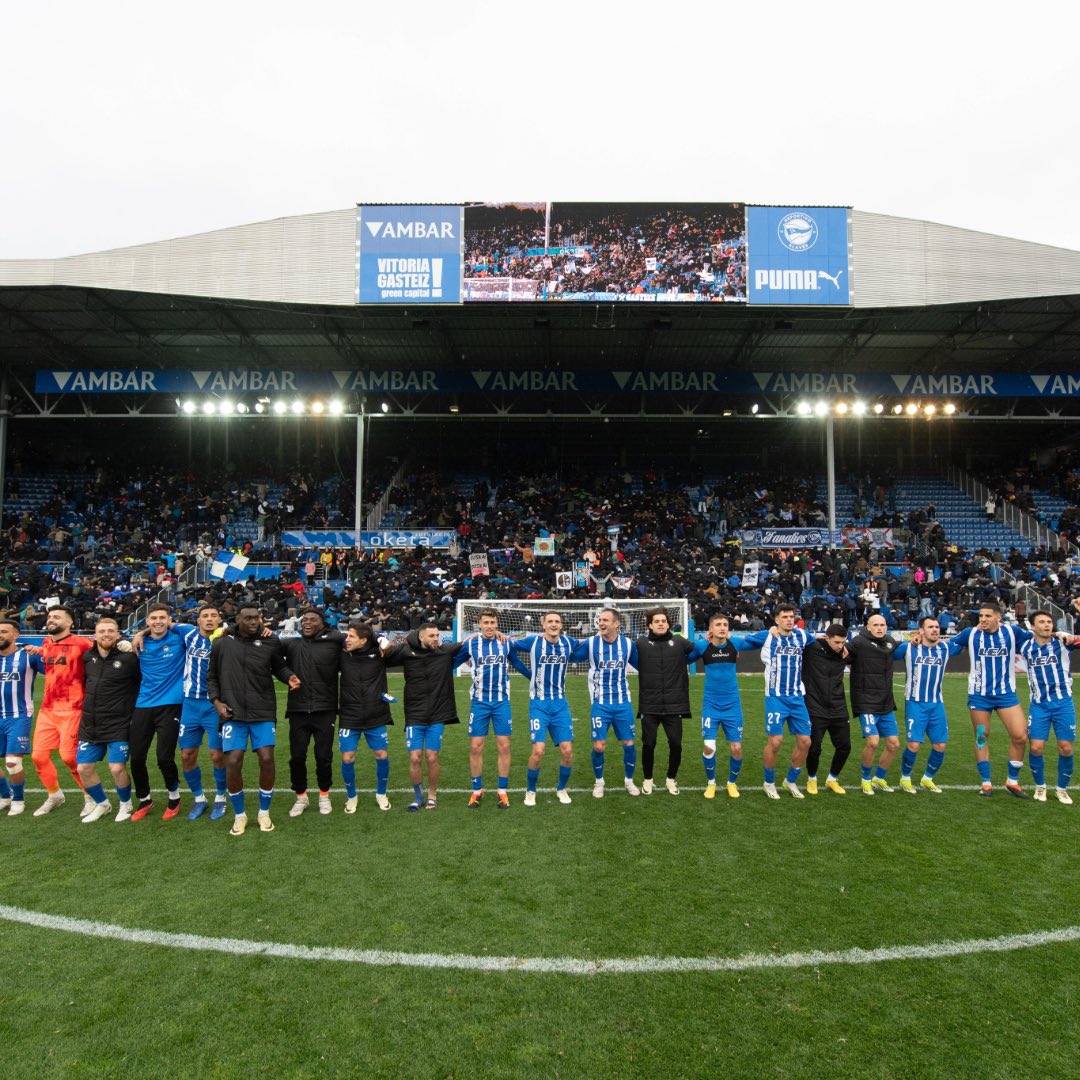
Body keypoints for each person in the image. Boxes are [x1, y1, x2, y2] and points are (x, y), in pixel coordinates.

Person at [208, 605, 299, 835]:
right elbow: (211, 676)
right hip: (232, 712)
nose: (253, 622)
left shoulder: (270, 641)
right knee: (233, 761)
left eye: (256, 618)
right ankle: (240, 815)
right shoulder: (221, 642)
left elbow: (279, 667)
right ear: (237, 619)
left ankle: (264, 812)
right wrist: (217, 703)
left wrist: (289, 677)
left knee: (267, 758)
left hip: (263, 710)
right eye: (247, 618)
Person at [949, 601, 1033, 797]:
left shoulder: (1013, 632)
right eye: (981, 616)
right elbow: (948, 646)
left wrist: (1060, 635)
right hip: (979, 696)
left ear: (998, 617)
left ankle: (1012, 782)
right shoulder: (970, 633)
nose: (983, 619)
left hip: (1006, 694)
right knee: (981, 736)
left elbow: (1036, 639)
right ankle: (986, 783)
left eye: (988, 616)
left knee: (1020, 736)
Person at [381, 622, 463, 811]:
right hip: (414, 713)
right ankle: (418, 797)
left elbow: (469, 643)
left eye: (437, 635)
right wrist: (380, 641)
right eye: (432, 636)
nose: (436, 639)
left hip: (437, 713)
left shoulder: (445, 651)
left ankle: (432, 795)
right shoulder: (405, 651)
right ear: (421, 638)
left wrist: (495, 633)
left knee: (432, 757)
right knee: (415, 758)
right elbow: (381, 659)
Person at [27, 606, 94, 817]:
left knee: (69, 757)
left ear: (69, 623)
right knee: (38, 757)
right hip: (47, 710)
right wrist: (36, 649)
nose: (51, 619)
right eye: (49, 617)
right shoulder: (47, 643)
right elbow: (50, 652)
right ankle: (55, 795)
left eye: (57, 617)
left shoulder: (82, 643)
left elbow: (101, 649)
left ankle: (90, 796)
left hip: (73, 708)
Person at [510, 611, 581, 806]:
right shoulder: (532, 641)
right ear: (543, 625)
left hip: (560, 705)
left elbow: (589, 645)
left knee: (567, 751)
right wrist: (528, 674)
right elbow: (508, 646)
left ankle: (561, 788)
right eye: (550, 621)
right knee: (539, 751)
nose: (554, 624)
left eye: (557, 621)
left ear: (561, 625)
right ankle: (531, 790)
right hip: (539, 705)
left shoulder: (569, 642)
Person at [746, 604, 815, 799]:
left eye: (791, 616)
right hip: (775, 697)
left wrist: (842, 648)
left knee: (805, 741)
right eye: (784, 617)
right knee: (775, 742)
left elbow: (822, 639)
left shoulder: (802, 635)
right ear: (776, 620)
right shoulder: (767, 636)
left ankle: (790, 780)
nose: (789, 620)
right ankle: (769, 782)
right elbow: (740, 642)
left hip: (797, 697)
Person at [76, 617, 140, 824]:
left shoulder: (130, 658)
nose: (106, 634)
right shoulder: (87, 657)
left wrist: (132, 644)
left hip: (118, 723)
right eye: (102, 631)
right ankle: (102, 804)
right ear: (94, 635)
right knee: (83, 768)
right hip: (90, 723)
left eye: (110, 631)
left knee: (116, 768)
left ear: (118, 634)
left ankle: (125, 804)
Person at [633, 608, 703, 796]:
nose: (661, 623)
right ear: (650, 625)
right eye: (657, 621)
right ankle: (648, 780)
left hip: (675, 704)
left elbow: (698, 650)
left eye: (664, 620)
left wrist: (710, 638)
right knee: (649, 744)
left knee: (676, 743)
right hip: (649, 704)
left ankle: (671, 779)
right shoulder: (640, 643)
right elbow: (625, 654)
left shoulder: (679, 642)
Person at [460, 609, 525, 810]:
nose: (489, 626)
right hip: (479, 702)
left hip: (501, 702)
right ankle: (477, 789)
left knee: (504, 746)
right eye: (485, 622)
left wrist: (534, 678)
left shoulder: (504, 643)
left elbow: (517, 663)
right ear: (479, 624)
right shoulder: (471, 643)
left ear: (497, 624)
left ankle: (502, 790)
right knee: (476, 747)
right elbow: (452, 660)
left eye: (492, 622)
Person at [281, 609, 343, 818]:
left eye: (312, 620)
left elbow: (357, 637)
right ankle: (301, 796)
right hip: (298, 709)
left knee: (323, 756)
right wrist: (288, 676)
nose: (306, 623)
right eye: (304, 620)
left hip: (325, 709)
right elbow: (273, 661)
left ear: (322, 624)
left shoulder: (334, 642)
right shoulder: (290, 644)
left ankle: (324, 795)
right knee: (297, 757)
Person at [893, 615, 964, 794]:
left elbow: (967, 638)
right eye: (930, 627)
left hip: (936, 703)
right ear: (921, 630)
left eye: (937, 627)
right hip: (915, 703)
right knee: (914, 745)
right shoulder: (908, 648)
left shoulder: (945, 648)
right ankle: (905, 778)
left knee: (940, 745)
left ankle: (927, 779)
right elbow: (889, 651)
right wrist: (912, 638)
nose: (935, 630)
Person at [128, 603, 186, 821]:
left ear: (169, 619)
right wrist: (138, 635)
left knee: (164, 757)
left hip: (171, 704)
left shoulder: (180, 639)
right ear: (147, 622)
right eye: (153, 618)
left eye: (162, 617)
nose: (158, 622)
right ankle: (144, 799)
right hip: (143, 705)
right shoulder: (139, 644)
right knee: (137, 757)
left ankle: (174, 797)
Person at [696, 614, 762, 800]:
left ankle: (732, 783)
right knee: (709, 747)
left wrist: (773, 630)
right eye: (718, 624)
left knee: (736, 748)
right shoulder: (703, 646)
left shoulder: (735, 644)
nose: (722, 627)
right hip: (711, 705)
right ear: (711, 629)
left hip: (732, 705)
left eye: (725, 624)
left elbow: (758, 641)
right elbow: (684, 657)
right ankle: (711, 784)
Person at [585, 608, 641, 798]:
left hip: (623, 702)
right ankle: (599, 782)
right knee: (599, 746)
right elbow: (570, 652)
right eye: (600, 620)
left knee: (629, 744)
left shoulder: (627, 644)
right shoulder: (591, 642)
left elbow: (641, 664)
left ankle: (629, 781)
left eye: (606, 620)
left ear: (616, 623)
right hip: (600, 703)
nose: (601, 623)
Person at [1020, 610, 1075, 804]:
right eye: (1042, 622)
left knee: (1066, 748)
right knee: (1036, 748)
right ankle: (1040, 786)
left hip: (1063, 704)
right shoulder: (1025, 646)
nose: (1047, 625)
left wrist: (1063, 634)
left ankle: (1062, 789)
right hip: (1039, 705)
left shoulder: (1063, 643)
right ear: (1033, 627)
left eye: (1049, 622)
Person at [338, 622, 393, 812]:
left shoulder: (379, 653)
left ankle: (381, 793)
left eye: (351, 636)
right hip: (349, 715)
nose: (347, 639)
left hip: (375, 714)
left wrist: (380, 637)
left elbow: (404, 645)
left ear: (363, 640)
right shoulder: (342, 654)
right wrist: (378, 635)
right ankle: (351, 797)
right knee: (347, 758)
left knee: (381, 754)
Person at [847, 613, 902, 795]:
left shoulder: (890, 642)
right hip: (866, 702)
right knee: (873, 742)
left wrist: (916, 640)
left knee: (894, 744)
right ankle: (866, 779)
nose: (879, 628)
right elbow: (841, 652)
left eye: (883, 625)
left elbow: (904, 648)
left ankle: (879, 778)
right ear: (868, 627)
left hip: (885, 703)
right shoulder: (858, 643)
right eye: (876, 625)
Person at [802, 624, 852, 795]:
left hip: (838, 706)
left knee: (845, 746)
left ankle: (832, 779)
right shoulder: (811, 649)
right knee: (814, 747)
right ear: (827, 638)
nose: (840, 646)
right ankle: (812, 779)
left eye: (843, 642)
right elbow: (794, 634)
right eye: (837, 642)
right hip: (815, 706)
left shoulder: (844, 652)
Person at [0, 618, 38, 816]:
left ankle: (19, 799)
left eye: (5, 631)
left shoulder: (28, 655)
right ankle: (4, 796)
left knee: (13, 762)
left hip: (19, 715)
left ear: (15, 635)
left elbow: (54, 670)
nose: (1, 635)